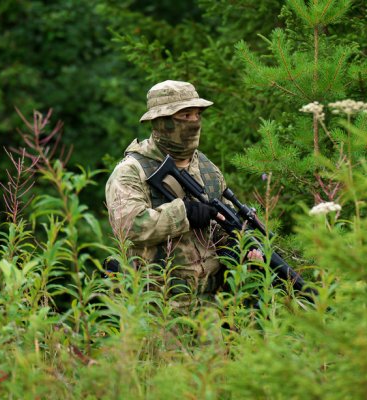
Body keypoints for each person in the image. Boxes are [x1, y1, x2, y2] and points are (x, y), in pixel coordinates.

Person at [105, 80, 259, 307]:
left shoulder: (207, 170)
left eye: (198, 115)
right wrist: (183, 212)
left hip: (210, 306)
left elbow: (222, 229)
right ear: (160, 121)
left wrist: (244, 250)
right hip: (156, 306)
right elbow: (128, 227)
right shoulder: (132, 171)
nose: (194, 122)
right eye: (185, 116)